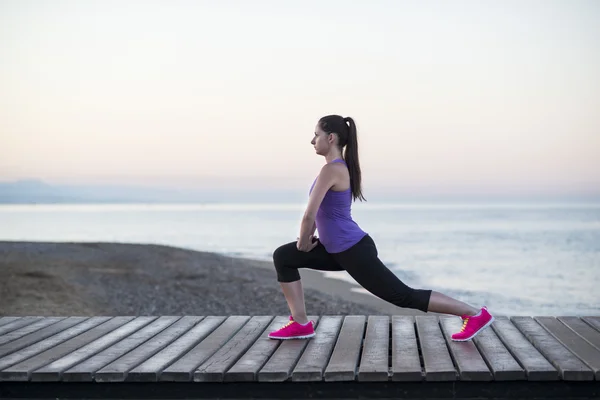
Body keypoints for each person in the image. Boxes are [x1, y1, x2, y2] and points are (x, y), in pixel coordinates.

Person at [268, 114, 494, 342]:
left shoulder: (332, 170)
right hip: (336, 249)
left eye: (316, 135)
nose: (312, 140)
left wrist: (304, 240)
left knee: (403, 296)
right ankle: (300, 323)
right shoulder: (332, 169)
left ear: (331, 138)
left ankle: (474, 314)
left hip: (352, 250)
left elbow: (309, 214)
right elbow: (319, 212)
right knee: (284, 257)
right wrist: (304, 240)